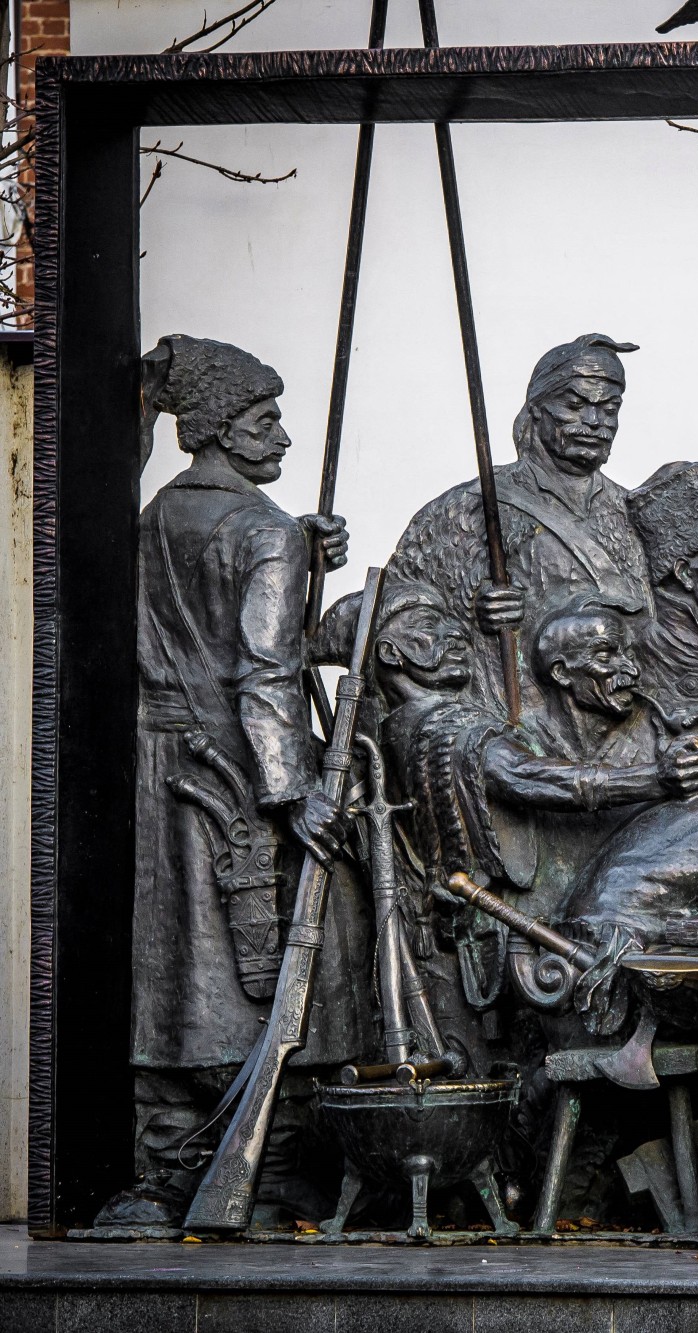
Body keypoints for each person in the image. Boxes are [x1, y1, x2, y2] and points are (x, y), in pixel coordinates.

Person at [110, 334, 364, 1228]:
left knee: (178, 967)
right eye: (263, 421)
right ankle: (274, 1168)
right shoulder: (262, 531)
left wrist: (302, 556)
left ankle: (164, 1164)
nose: (283, 436)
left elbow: (195, 627)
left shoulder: (148, 522)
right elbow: (263, 675)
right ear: (216, 428)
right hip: (248, 779)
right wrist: (298, 795)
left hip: (164, 771)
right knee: (292, 965)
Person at [388, 333, 651, 717]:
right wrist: (474, 614)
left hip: (620, 709)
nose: (595, 422)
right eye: (575, 405)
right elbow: (400, 614)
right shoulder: (473, 507)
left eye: (609, 408)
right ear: (538, 410)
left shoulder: (633, 511)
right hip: (516, 722)